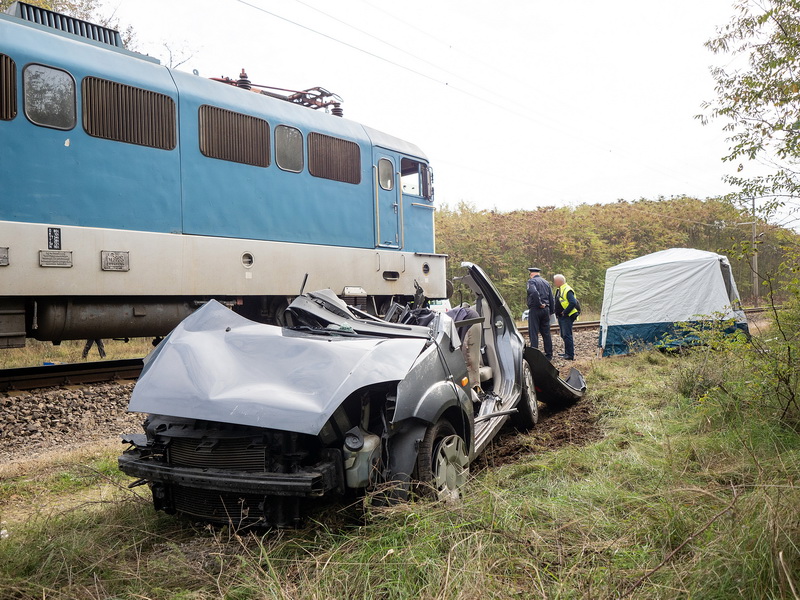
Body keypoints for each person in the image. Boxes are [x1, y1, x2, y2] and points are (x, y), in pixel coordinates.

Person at [526, 267, 554, 359]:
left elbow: (533, 292)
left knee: (533, 332)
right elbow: (551, 297)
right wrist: (551, 311)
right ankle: (549, 354)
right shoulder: (546, 283)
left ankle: (535, 355)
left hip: (536, 309)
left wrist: (539, 304)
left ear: (531, 274)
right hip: (546, 309)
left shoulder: (531, 282)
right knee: (546, 333)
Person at [553, 274, 579, 360]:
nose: (554, 282)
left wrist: (565, 312)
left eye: (555, 281)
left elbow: (573, 302)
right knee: (564, 335)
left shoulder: (567, 290)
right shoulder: (560, 289)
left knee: (567, 335)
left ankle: (570, 355)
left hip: (567, 316)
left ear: (558, 281)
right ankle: (566, 353)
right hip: (561, 316)